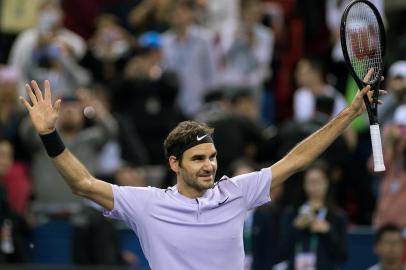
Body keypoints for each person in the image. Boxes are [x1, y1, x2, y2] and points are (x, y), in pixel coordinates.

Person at [18, 74, 384, 270]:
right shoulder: (147, 204)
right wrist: (49, 134)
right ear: (174, 164)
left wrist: (350, 113)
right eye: (198, 159)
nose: (209, 164)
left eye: (212, 156)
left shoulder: (236, 192)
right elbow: (82, 184)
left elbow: (298, 159)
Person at [279, 160, 348, 270]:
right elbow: (281, 252)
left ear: (327, 183)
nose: (315, 187)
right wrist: (296, 228)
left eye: (318, 182)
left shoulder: (337, 216)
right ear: (304, 185)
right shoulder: (291, 213)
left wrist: (328, 231)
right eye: (311, 182)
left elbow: (342, 256)